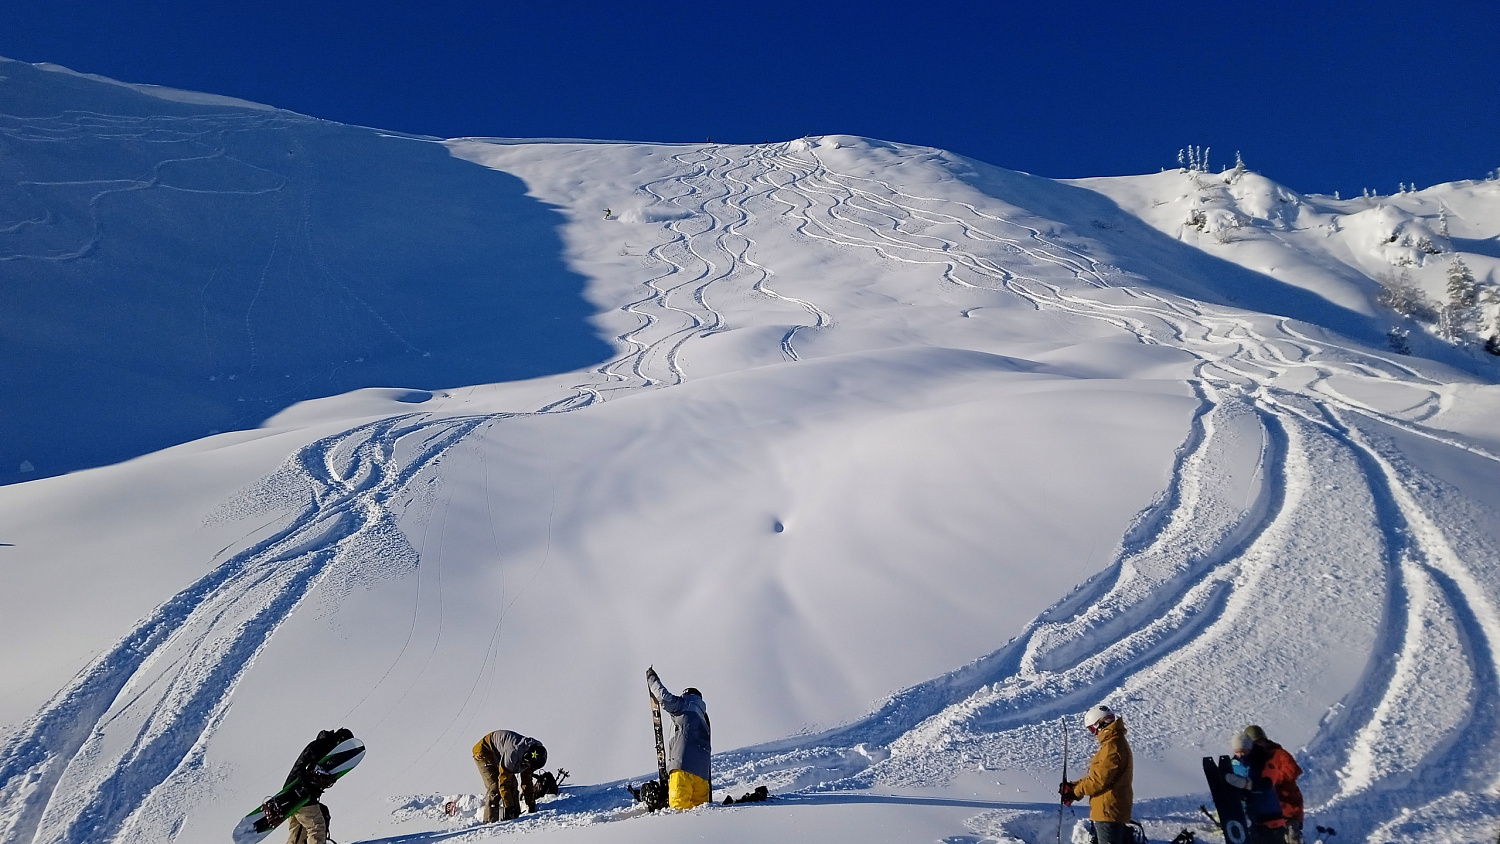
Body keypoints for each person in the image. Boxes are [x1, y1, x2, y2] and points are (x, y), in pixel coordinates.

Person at [1059, 704, 1134, 844]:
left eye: (1092, 729)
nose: (1094, 734)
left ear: (1101, 724)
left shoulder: (1112, 747)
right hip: (1107, 808)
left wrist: (1075, 792)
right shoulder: (1114, 743)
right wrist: (1073, 786)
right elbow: (1100, 775)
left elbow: (1099, 781)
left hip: (1108, 810)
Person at [646, 666, 712, 809]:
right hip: (703, 777)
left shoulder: (683, 705)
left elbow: (663, 697)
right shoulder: (703, 717)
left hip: (683, 769)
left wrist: (651, 678)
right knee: (702, 814)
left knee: (678, 813)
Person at [284, 728, 354, 844]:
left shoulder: (323, 747)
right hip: (300, 792)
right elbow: (302, 769)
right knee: (317, 827)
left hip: (294, 791)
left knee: (299, 831)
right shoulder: (319, 747)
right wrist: (308, 789)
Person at [1244, 725, 1304, 843]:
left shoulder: (1278, 754)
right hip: (1265, 810)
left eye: (1260, 741)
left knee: (1291, 836)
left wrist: (1272, 780)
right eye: (1254, 743)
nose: (1258, 745)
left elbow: (1293, 771)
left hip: (1287, 807)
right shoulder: (1250, 758)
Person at [472, 730, 548, 823]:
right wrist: (509, 807)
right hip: (484, 751)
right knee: (495, 787)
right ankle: (490, 821)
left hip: (501, 752)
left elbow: (527, 781)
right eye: (528, 765)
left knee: (513, 784)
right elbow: (503, 783)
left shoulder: (534, 753)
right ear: (526, 757)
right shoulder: (513, 755)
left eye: (531, 767)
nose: (528, 767)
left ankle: (515, 816)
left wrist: (531, 803)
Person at [1226, 731, 1288, 843]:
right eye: (1237, 752)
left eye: (1243, 751)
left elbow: (1267, 785)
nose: (1240, 755)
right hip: (1251, 818)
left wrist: (1246, 784)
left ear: (1250, 748)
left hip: (1270, 815)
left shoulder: (1265, 761)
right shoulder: (1233, 764)